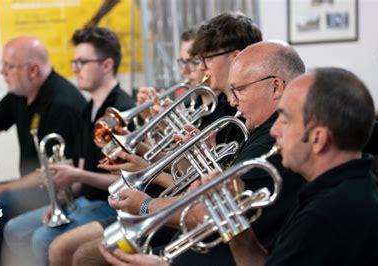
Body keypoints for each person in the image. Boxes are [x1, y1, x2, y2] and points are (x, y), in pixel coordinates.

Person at [99, 68, 378, 266]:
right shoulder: (329, 191)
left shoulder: (330, 214)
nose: (275, 131)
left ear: (318, 139)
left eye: (286, 120)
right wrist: (237, 230)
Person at [47, 13, 266, 266]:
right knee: (66, 250)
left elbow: (203, 190)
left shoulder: (237, 118)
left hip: (185, 217)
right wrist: (146, 145)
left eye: (201, 59)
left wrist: (147, 175)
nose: (195, 68)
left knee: (82, 255)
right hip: (168, 204)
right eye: (189, 60)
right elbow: (191, 176)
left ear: (235, 56)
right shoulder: (216, 109)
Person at [106, 40, 306, 266]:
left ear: (276, 87)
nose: (232, 101)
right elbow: (217, 192)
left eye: (239, 90)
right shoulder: (257, 131)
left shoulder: (271, 143)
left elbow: (210, 211)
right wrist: (204, 159)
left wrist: (146, 206)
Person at [46, 26, 206, 266]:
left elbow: (190, 180)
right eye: (181, 61)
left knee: (62, 247)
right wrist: (153, 134)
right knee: (57, 245)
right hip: (140, 200)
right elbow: (180, 169)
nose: (184, 70)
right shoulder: (86, 109)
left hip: (129, 203)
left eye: (193, 61)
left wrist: (146, 156)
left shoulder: (121, 104)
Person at [2, 27, 135, 266]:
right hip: (85, 200)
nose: (74, 69)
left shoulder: (120, 110)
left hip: (110, 205)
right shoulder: (88, 109)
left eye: (82, 62)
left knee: (43, 239)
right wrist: (58, 202)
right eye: (74, 62)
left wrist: (77, 174)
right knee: (14, 229)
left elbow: (126, 181)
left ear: (106, 65)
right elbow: (81, 172)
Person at [0, 36, 87, 265]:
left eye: (9, 66)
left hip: (59, 191)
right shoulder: (20, 95)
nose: (2, 72)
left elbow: (59, 173)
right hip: (33, 185)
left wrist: (3, 187)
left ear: (33, 70)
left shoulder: (62, 104)